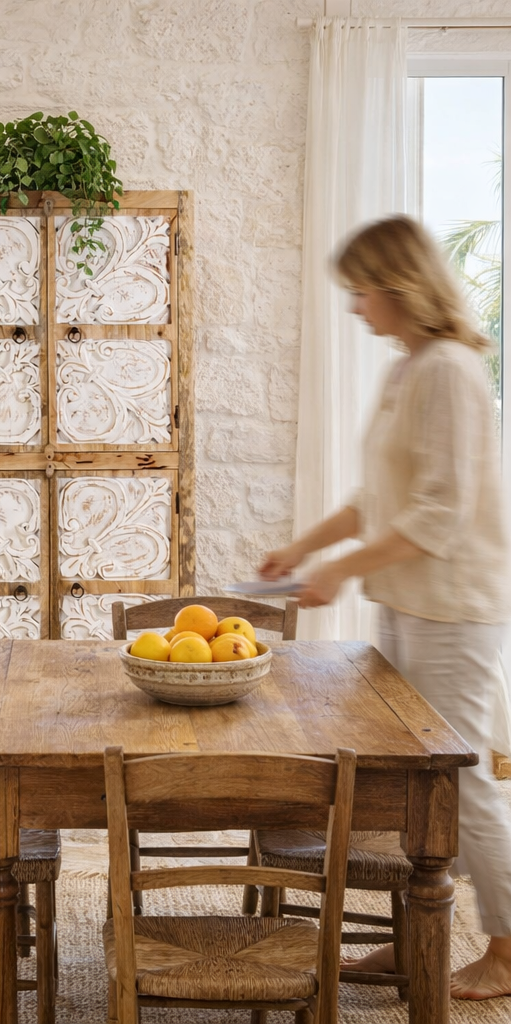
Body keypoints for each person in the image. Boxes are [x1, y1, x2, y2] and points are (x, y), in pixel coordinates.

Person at [260, 214, 511, 1001]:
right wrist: (303, 549)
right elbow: (380, 497)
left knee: (459, 782)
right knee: (413, 784)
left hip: (453, 608)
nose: (353, 306)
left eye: (361, 290)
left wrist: (338, 571)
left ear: (399, 286)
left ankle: (508, 953)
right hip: (408, 600)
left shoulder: (450, 370)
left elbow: (440, 513)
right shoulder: (408, 369)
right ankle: (411, 939)